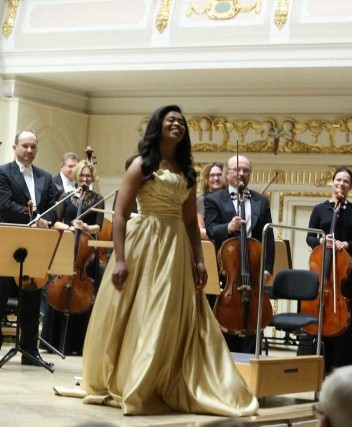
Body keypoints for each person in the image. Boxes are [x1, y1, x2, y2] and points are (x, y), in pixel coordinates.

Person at [79, 105, 258, 416]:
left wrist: (200, 261)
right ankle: (137, 379)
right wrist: (119, 260)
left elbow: (190, 222)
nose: (177, 125)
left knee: (171, 313)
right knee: (144, 310)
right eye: (171, 120)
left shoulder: (186, 170)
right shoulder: (140, 166)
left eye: (181, 122)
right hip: (144, 241)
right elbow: (120, 215)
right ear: (158, 126)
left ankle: (164, 377)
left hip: (176, 245)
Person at [0, 130, 58, 367]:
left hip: (35, 243)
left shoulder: (46, 177)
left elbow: (55, 206)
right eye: (25, 146)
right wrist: (35, 217)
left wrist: (50, 218)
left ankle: (29, 349)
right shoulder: (1, 172)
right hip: (9, 240)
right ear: (15, 148)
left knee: (33, 297)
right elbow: (4, 206)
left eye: (33, 146)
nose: (29, 150)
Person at [204, 154, 274, 353]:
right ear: (228, 173)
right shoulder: (214, 200)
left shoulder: (261, 200)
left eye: (246, 170)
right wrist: (229, 226)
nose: (242, 173)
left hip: (253, 271)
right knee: (224, 324)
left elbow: (267, 237)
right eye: (237, 169)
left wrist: (267, 267)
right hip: (227, 271)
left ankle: (252, 368)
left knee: (254, 322)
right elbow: (211, 230)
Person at [43, 159, 103, 355]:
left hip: (85, 256)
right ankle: (52, 340)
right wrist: (70, 227)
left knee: (83, 295)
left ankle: (77, 344)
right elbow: (56, 222)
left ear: (92, 177)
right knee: (57, 290)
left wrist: (85, 227)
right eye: (82, 175)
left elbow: (99, 227)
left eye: (88, 175)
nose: (85, 178)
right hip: (67, 247)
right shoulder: (66, 197)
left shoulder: (98, 199)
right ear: (76, 176)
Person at [304, 168, 352, 374]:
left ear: (350, 187)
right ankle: (315, 365)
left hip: (346, 275)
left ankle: (340, 367)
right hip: (324, 272)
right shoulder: (320, 209)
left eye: (346, 181)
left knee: (346, 325)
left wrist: (347, 244)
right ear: (332, 183)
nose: (341, 184)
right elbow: (310, 238)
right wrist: (322, 240)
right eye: (338, 180)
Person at [197, 161, 224, 240]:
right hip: (211, 245)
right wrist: (224, 233)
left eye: (219, 175)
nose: (216, 178)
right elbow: (200, 230)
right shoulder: (202, 200)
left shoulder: (231, 197)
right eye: (212, 175)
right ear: (206, 178)